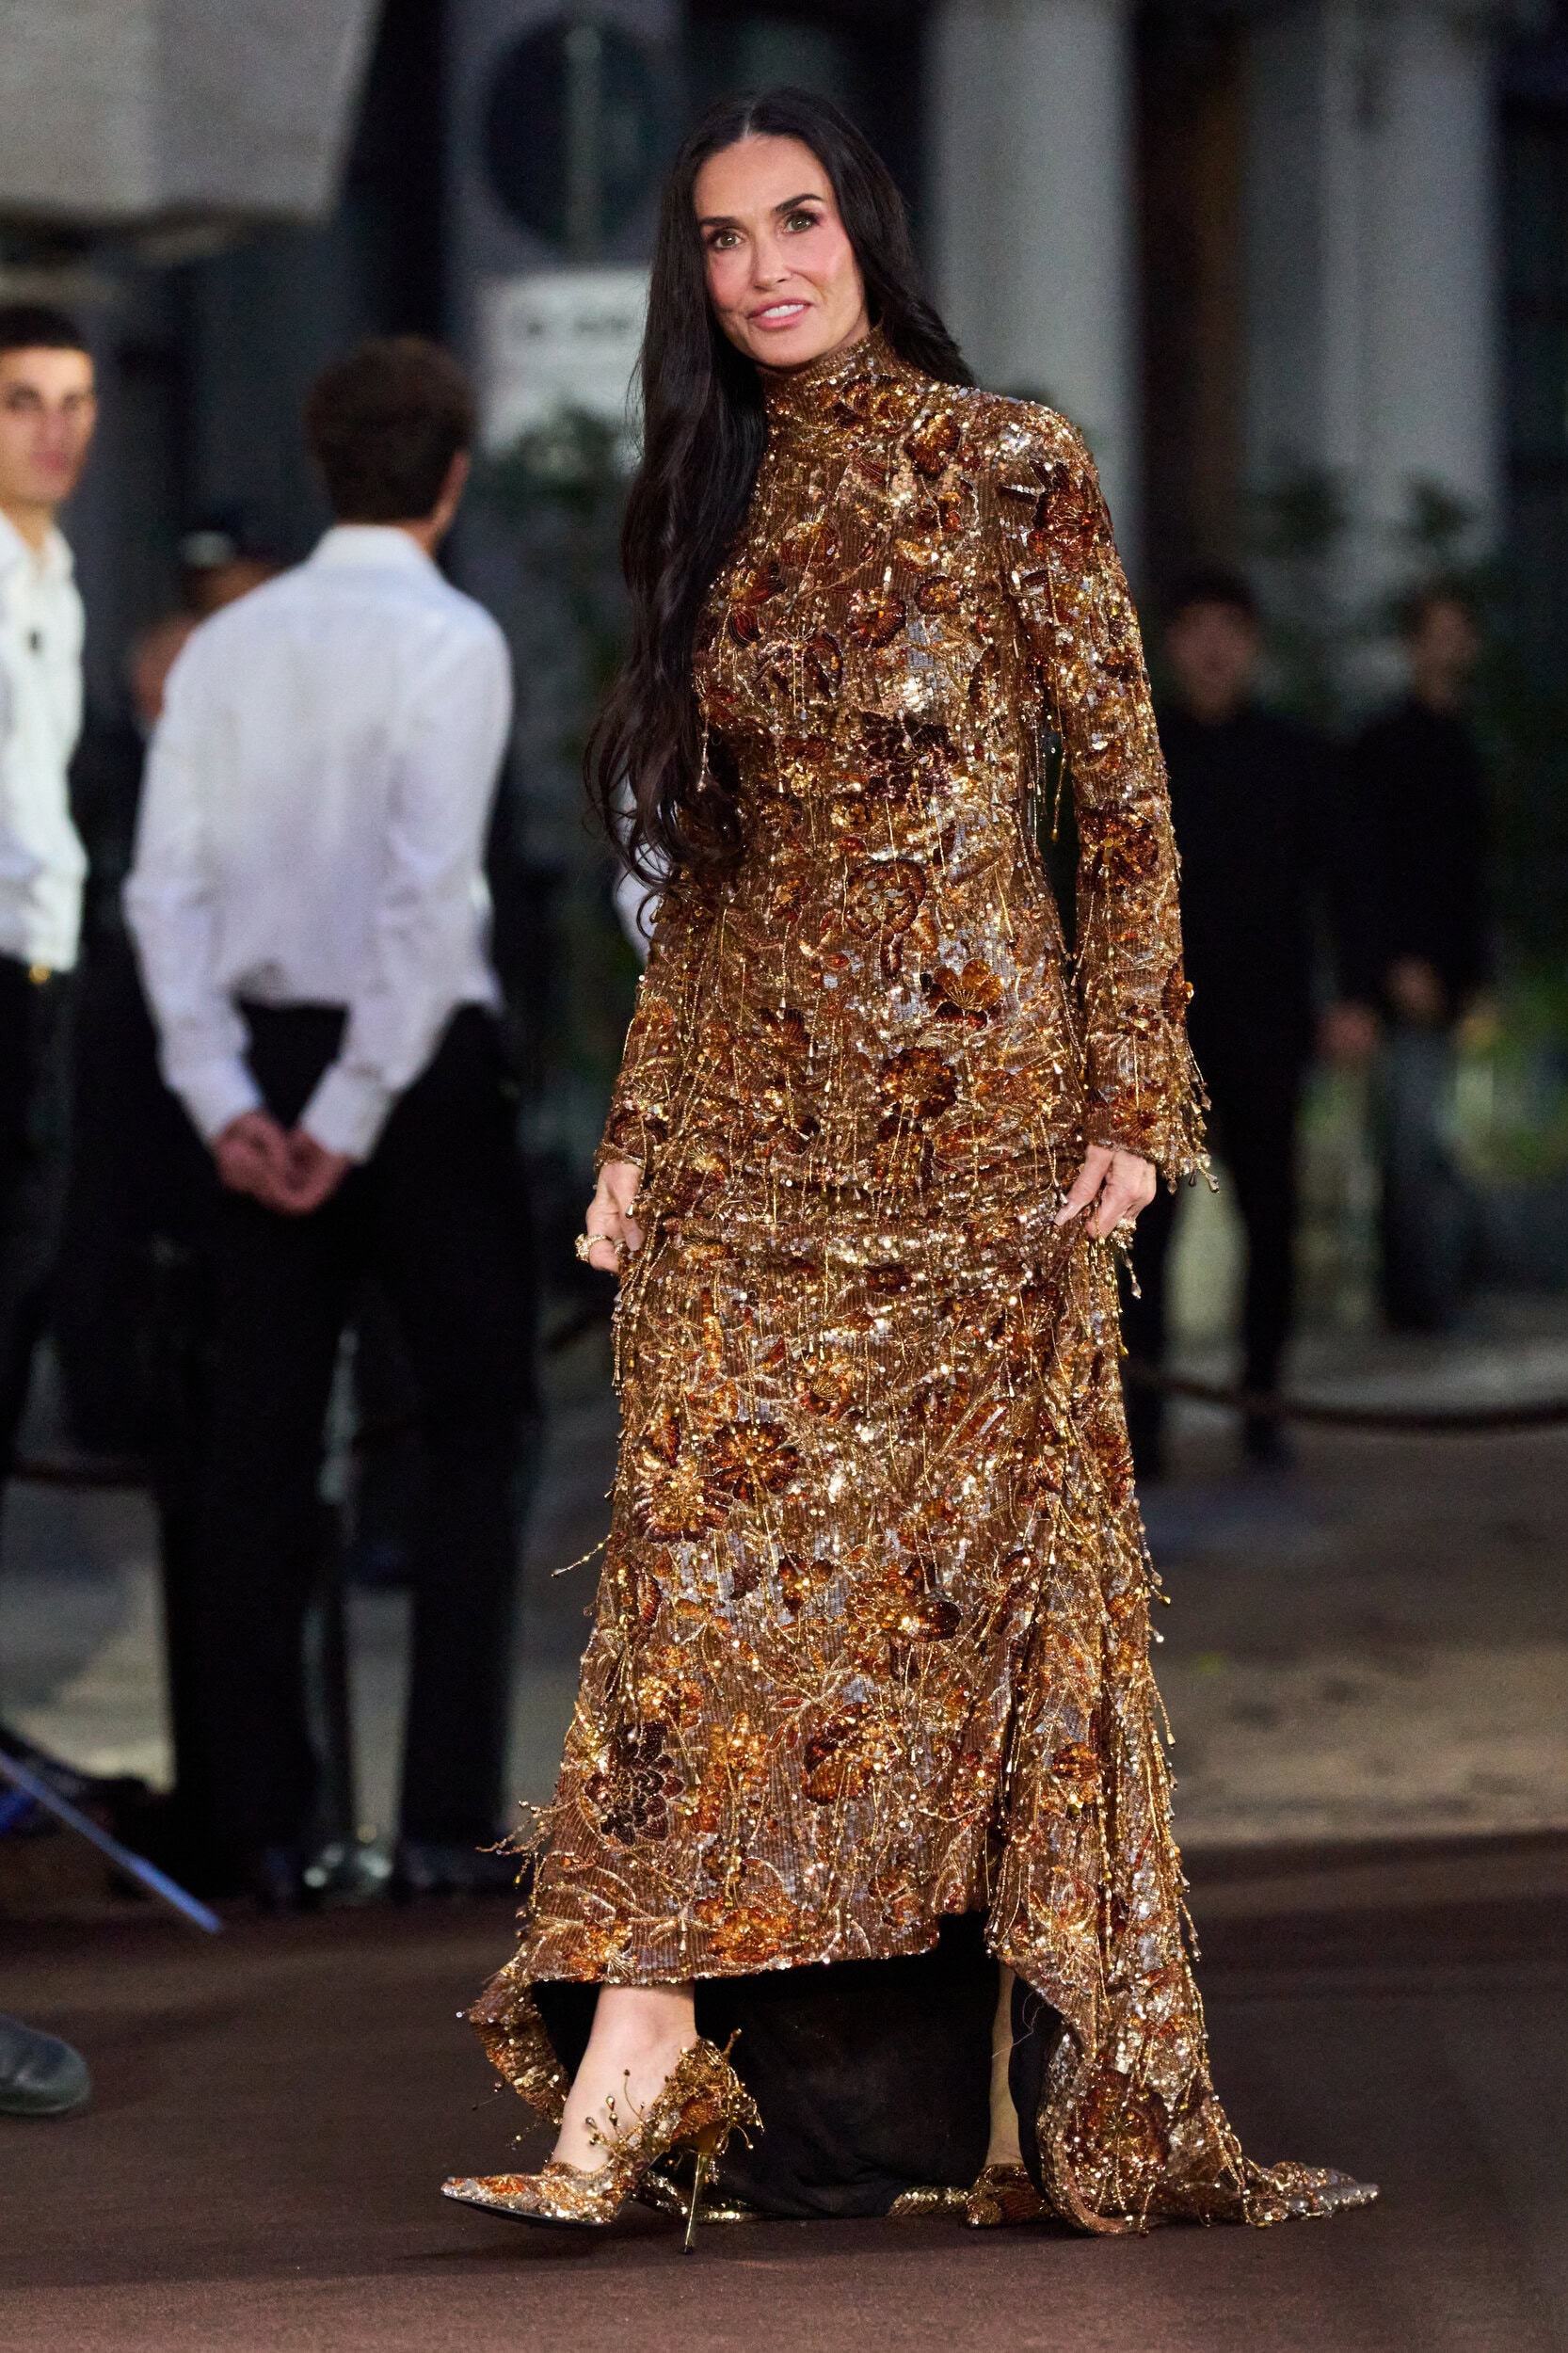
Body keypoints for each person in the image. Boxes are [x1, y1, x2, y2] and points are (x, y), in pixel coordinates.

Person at [442, 91, 1372, 2241]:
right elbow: (710, 879)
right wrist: (640, 1136)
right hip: (752, 1142)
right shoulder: (710, 502)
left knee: (972, 1625)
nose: (766, 266)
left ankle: (978, 2092)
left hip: (978, 1147)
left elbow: (1125, 811)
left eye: (798, 221)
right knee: (691, 1590)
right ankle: (636, 2057)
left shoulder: (1007, 461)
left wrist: (1134, 1098)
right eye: (725, 238)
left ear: (864, 231)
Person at [126, 337, 536, 1909]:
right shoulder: (454, 639)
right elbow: (427, 906)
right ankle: (441, 1821)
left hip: (258, 1060)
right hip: (413, 1078)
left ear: (321, 468)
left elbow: (164, 890)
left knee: (259, 1451)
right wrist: (352, 1114)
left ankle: (266, 1830)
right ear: (451, 479)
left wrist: (227, 1097)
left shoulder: (228, 648)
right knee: (474, 1429)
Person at [1121, 569, 1373, 1477]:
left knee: (1272, 1217)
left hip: (1269, 1023)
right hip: (1160, 1035)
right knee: (1146, 1229)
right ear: (1172, 643)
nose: (1213, 646)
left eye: (1229, 627)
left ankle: (1263, 1408)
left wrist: (1353, 996)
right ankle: (1143, 1425)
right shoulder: (1137, 754)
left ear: (1253, 642)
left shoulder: (1299, 757)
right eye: (1196, 627)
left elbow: (1347, 882)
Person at [1350, 589, 1490, 1331]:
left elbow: (1471, 875)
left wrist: (1476, 976)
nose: (1448, 647)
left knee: (1434, 1140)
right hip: (1402, 977)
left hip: (1452, 977)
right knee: (1407, 1141)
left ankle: (1432, 1291)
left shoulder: (1467, 743)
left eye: (1457, 633)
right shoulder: (1384, 744)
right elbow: (1369, 868)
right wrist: (1392, 963)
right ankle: (1412, 1298)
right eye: (1436, 633)